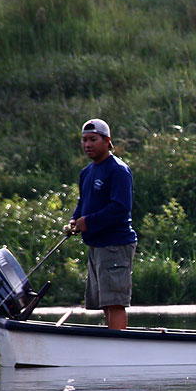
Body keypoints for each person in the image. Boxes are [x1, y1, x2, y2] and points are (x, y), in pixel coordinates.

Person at [67, 118, 138, 330]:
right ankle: (112, 344)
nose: (87, 144)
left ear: (107, 141)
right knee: (104, 302)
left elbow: (120, 208)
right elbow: (83, 202)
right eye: (84, 140)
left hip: (115, 244)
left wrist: (88, 222)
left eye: (93, 139)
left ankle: (118, 347)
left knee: (115, 302)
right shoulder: (86, 172)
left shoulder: (118, 170)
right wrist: (74, 219)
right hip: (97, 246)